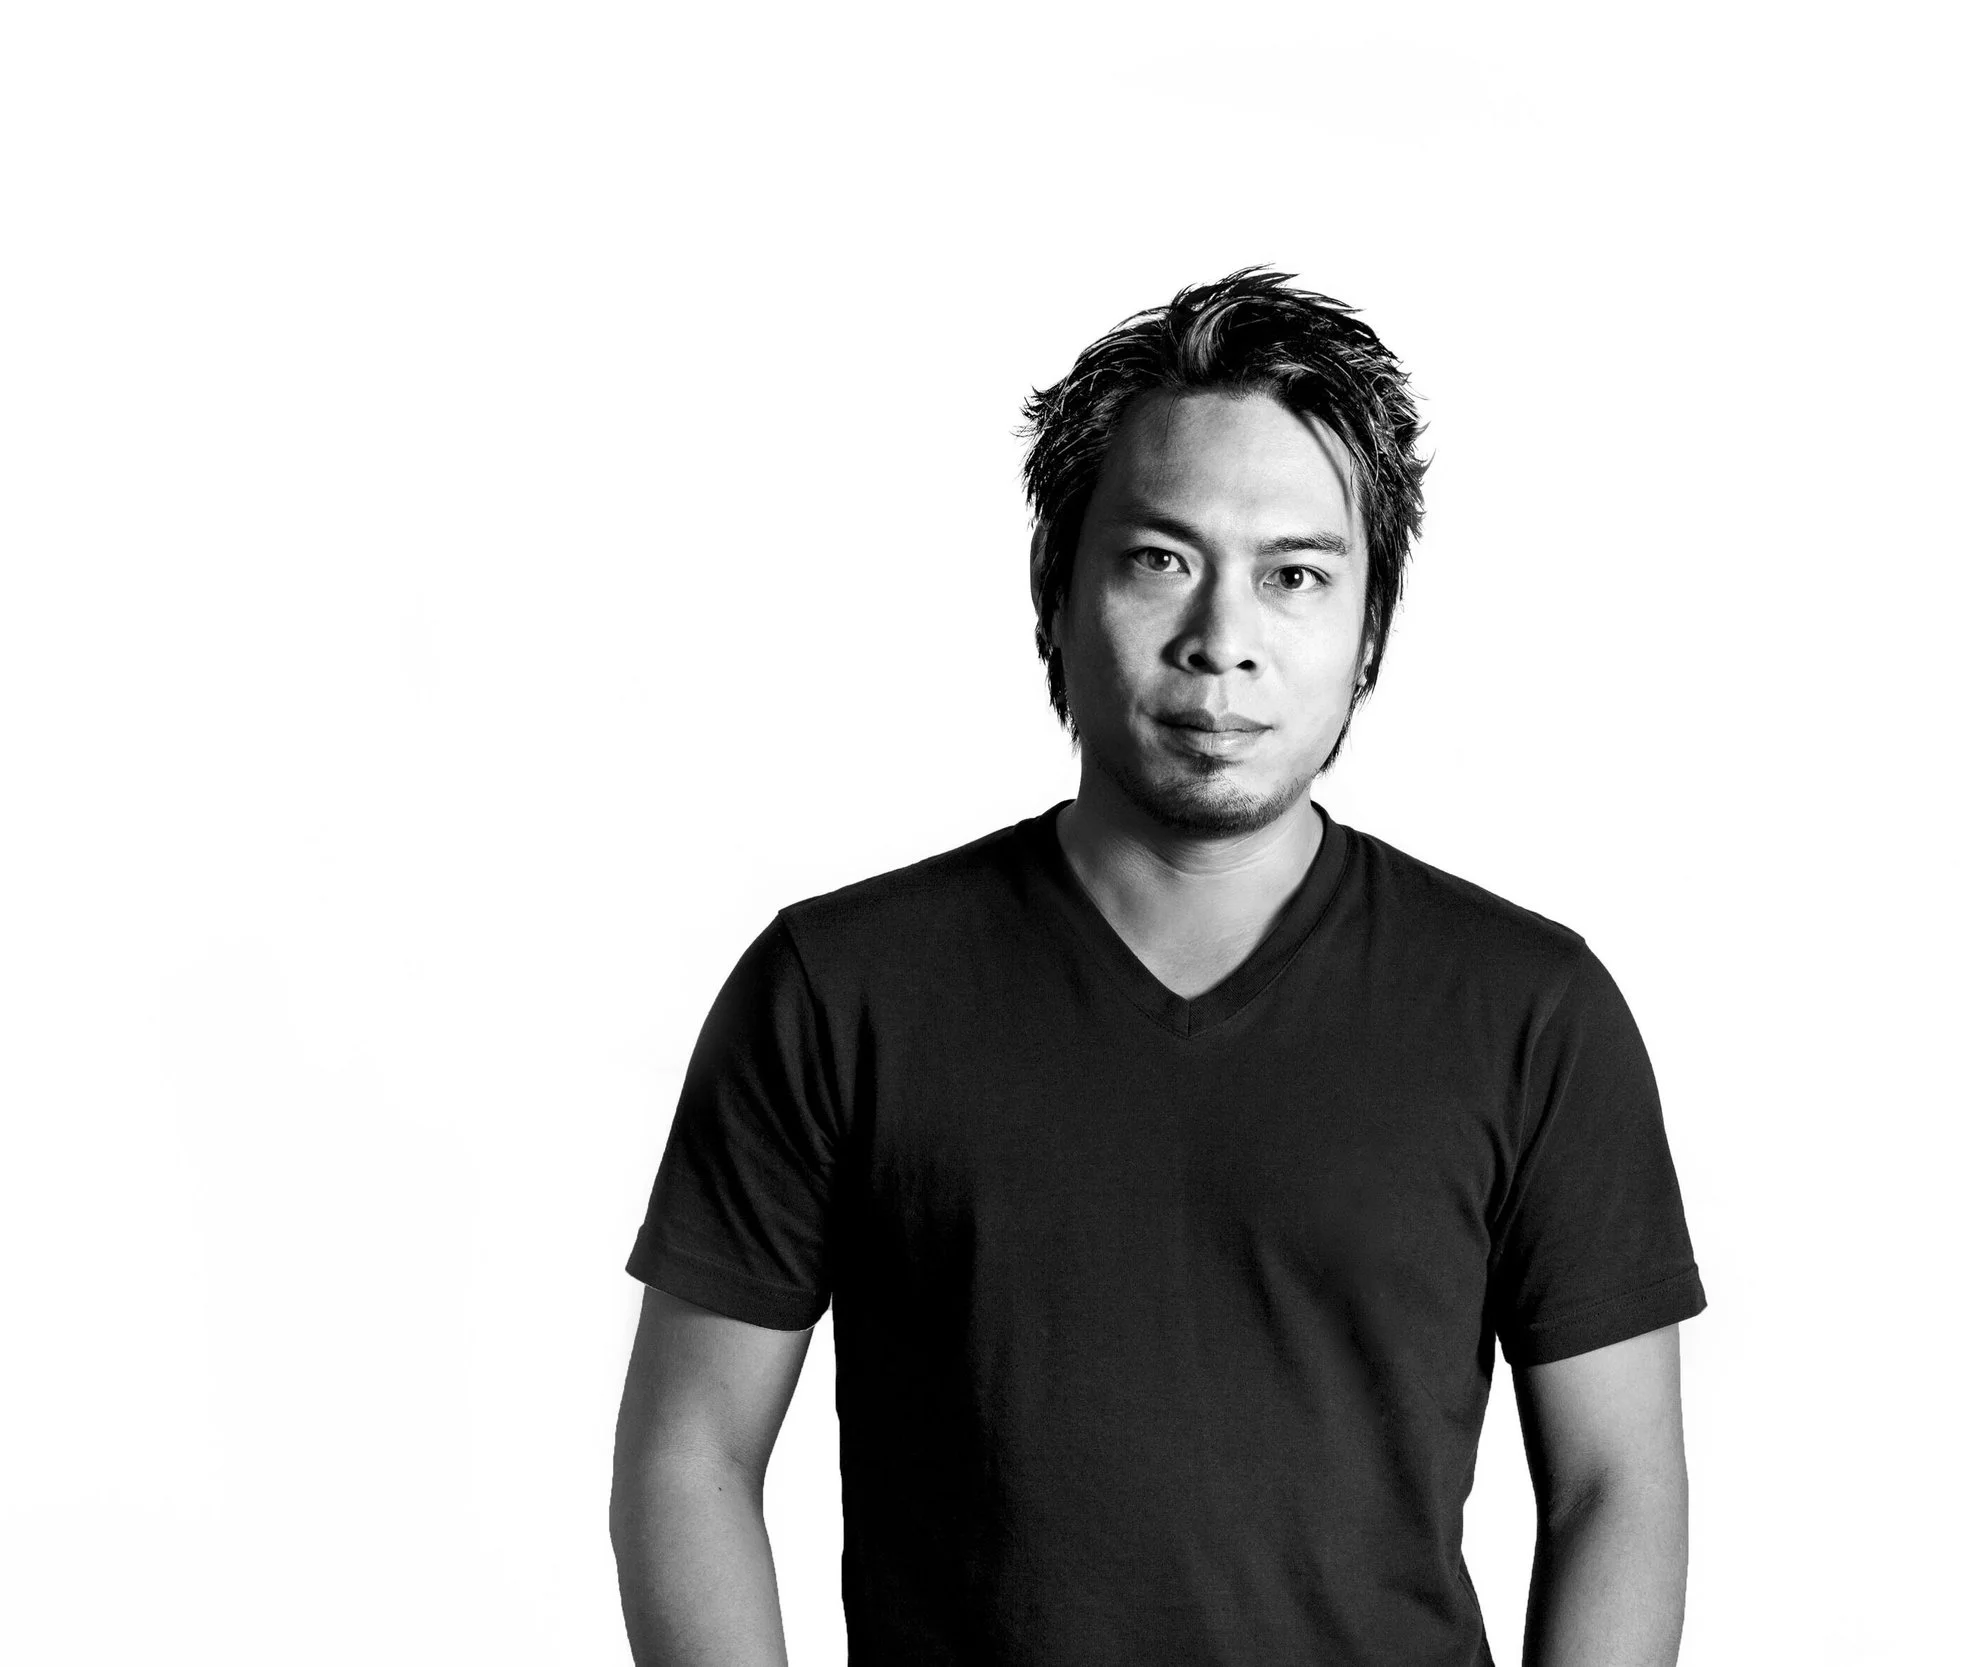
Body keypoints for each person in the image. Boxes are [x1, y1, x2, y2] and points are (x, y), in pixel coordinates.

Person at [610, 269, 1707, 1666]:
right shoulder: (837, 990)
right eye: (1159, 560)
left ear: (1370, 629)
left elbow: (1618, 1486)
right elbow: (690, 1452)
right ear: (1055, 595)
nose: (1222, 642)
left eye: (1296, 575)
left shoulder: (1531, 1012)